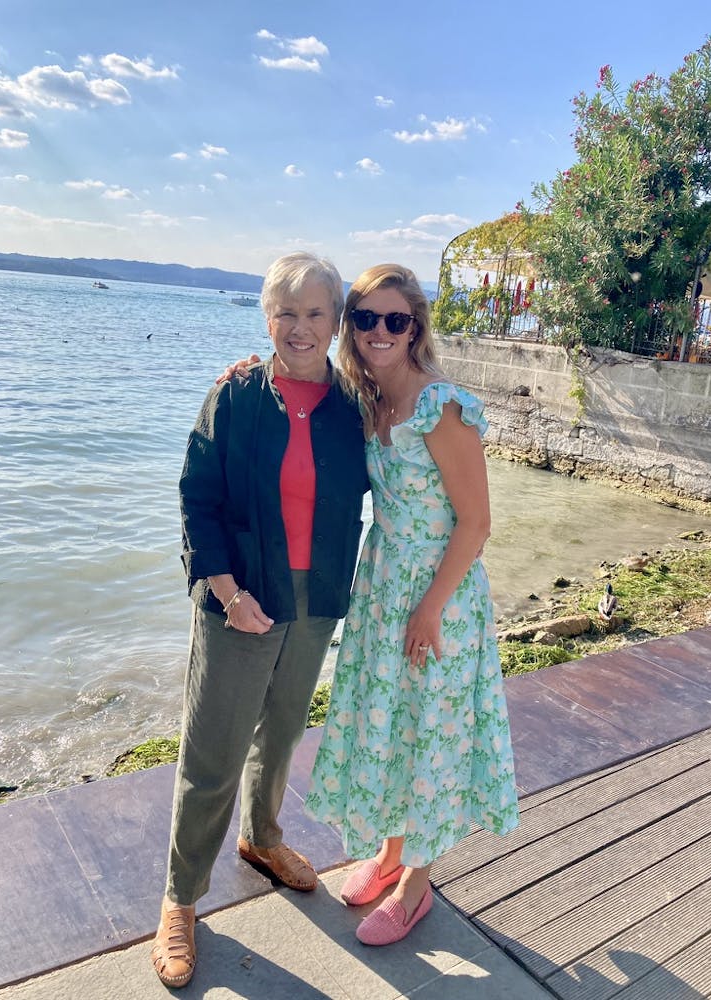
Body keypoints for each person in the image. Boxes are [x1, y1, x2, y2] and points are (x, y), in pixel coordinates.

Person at [150, 252, 369, 988]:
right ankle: (180, 901)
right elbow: (196, 495)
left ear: (337, 322)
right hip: (239, 594)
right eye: (286, 312)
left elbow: (408, 470)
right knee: (212, 750)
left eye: (315, 313)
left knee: (281, 731)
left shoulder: (352, 406)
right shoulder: (237, 394)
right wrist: (224, 589)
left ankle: (263, 838)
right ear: (266, 317)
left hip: (317, 596)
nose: (300, 328)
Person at [304, 263, 519, 946]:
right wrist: (248, 372)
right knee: (393, 724)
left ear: (415, 327)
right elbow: (296, 378)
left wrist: (429, 608)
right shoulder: (369, 399)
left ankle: (415, 886)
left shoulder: (439, 405)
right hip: (383, 587)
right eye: (365, 318)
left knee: (430, 733)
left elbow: (476, 523)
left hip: (439, 596)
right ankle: (390, 853)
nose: (379, 332)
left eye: (395, 320)